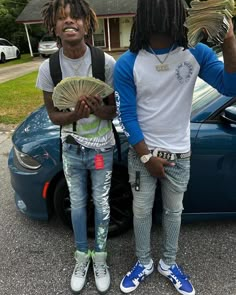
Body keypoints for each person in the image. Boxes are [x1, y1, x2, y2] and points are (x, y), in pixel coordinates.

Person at [114, 0, 236, 294]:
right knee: (141, 212)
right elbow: (127, 115)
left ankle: (168, 263)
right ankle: (143, 262)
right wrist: (146, 156)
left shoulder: (197, 53)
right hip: (143, 154)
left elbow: (230, 87)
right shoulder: (128, 62)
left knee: (174, 212)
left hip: (180, 154)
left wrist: (230, 42)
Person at [36, 0, 116, 293]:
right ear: (53, 27)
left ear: (87, 23)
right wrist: (74, 115)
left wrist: (96, 109)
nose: (69, 22)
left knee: (103, 202)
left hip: (101, 149)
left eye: (75, 17)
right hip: (71, 148)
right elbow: (54, 116)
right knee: (78, 204)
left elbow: (112, 111)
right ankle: (82, 256)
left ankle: (101, 258)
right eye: (62, 18)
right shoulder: (49, 68)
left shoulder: (105, 63)